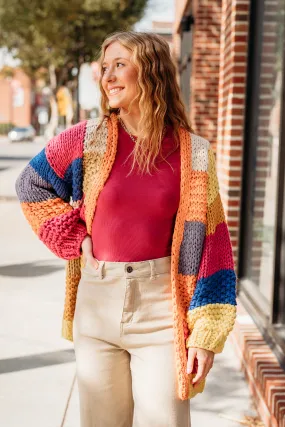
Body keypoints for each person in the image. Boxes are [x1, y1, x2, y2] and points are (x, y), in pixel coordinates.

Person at [15, 31, 237, 427]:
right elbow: (31, 184)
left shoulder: (195, 153)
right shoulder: (86, 140)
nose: (108, 77)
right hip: (97, 302)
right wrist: (74, 238)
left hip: (162, 310)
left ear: (151, 72)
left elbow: (213, 248)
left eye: (120, 64)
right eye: (104, 67)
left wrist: (205, 334)